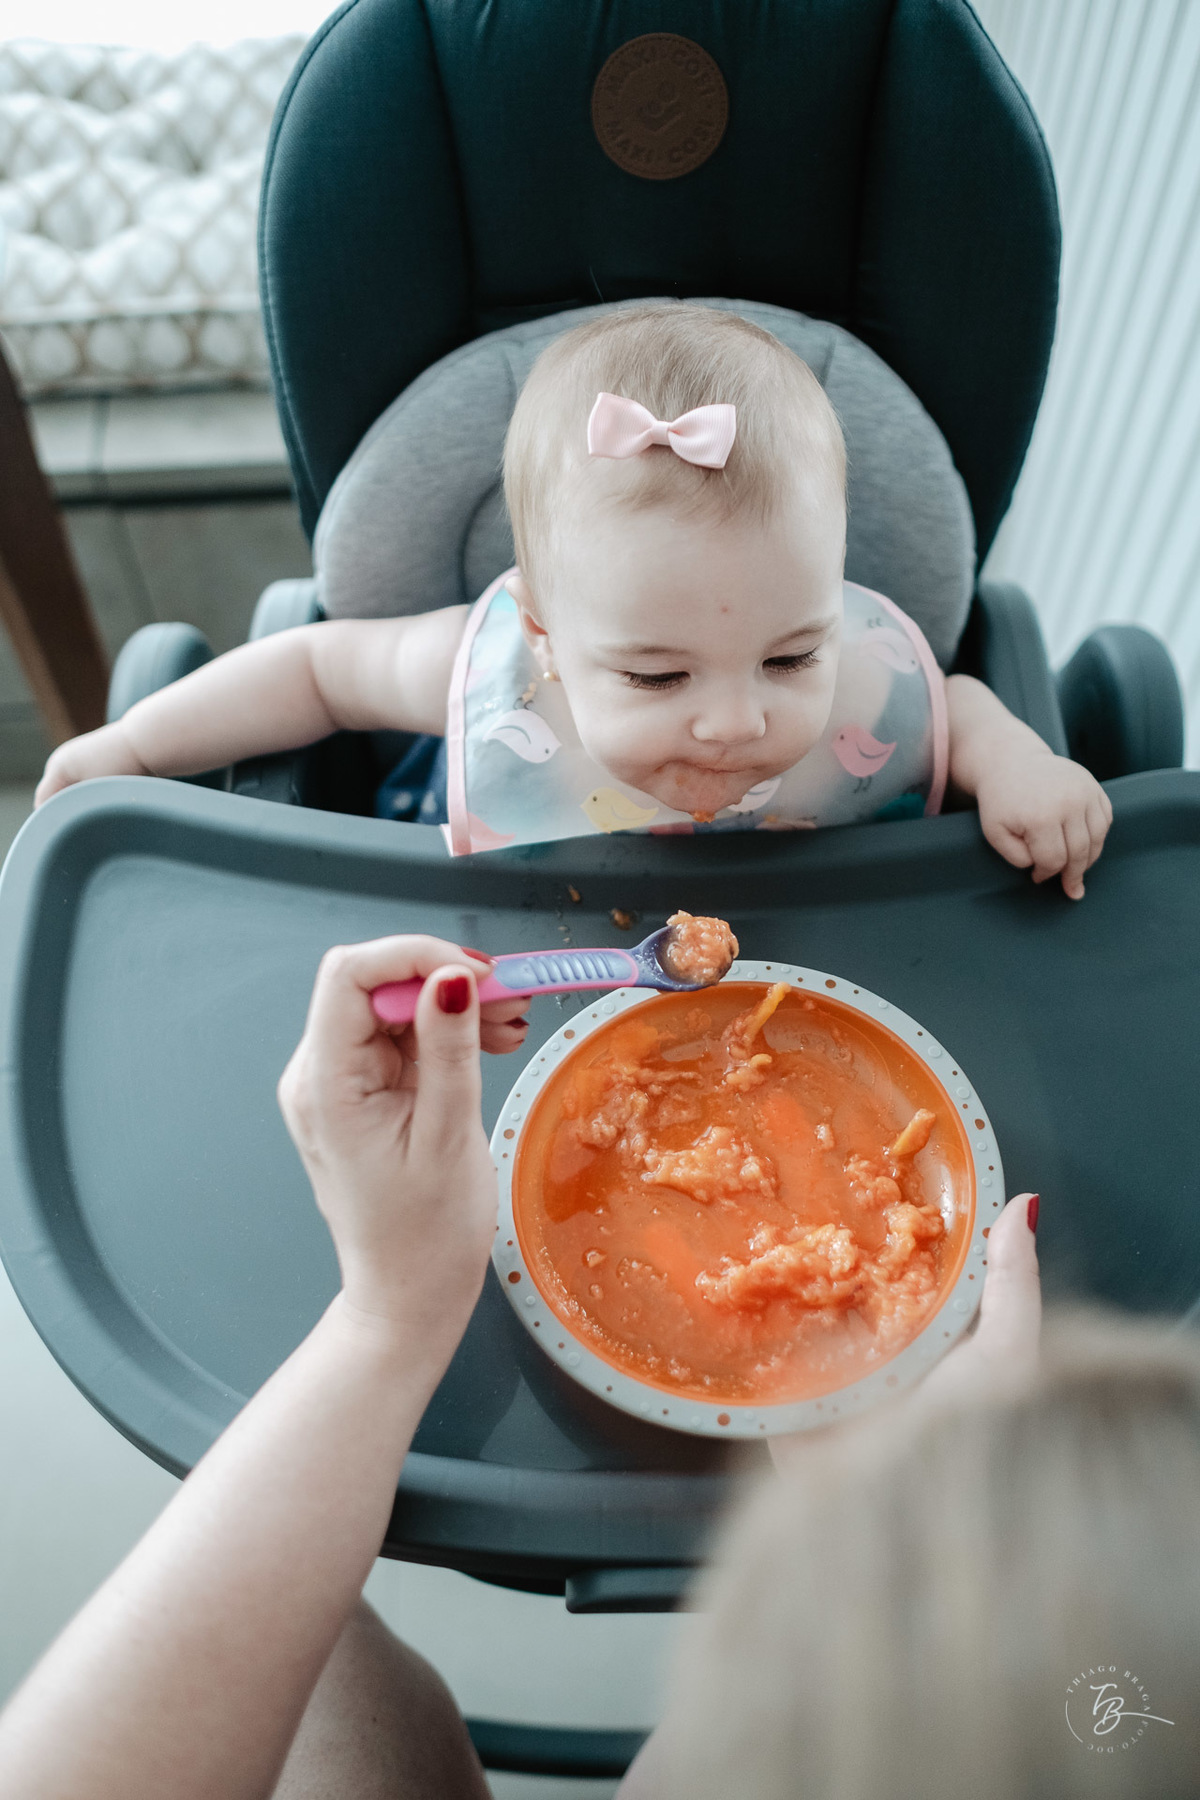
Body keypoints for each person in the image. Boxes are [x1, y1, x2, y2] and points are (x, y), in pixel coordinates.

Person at [36, 306, 1111, 894]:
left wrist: (1021, 764)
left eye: (791, 658)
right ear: (545, 635)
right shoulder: (494, 670)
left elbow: (951, 704)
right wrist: (132, 747)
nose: (736, 721)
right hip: (517, 965)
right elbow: (315, 671)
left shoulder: (868, 677)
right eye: (657, 674)